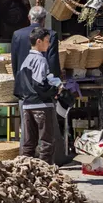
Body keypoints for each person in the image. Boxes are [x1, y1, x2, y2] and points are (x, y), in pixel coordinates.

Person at [14, 27, 61, 164]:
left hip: (27, 105)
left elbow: (20, 86)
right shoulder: (41, 60)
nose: (49, 44)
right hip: (42, 105)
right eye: (47, 41)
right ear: (39, 41)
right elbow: (40, 85)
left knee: (29, 142)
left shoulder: (26, 60)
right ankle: (45, 172)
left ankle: (24, 171)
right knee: (46, 142)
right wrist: (56, 89)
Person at [11, 6, 61, 79]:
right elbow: (53, 61)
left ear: (29, 17)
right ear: (44, 18)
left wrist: (17, 80)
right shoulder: (51, 35)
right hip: (43, 82)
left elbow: (14, 60)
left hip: (23, 81)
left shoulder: (17, 34)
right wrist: (55, 81)